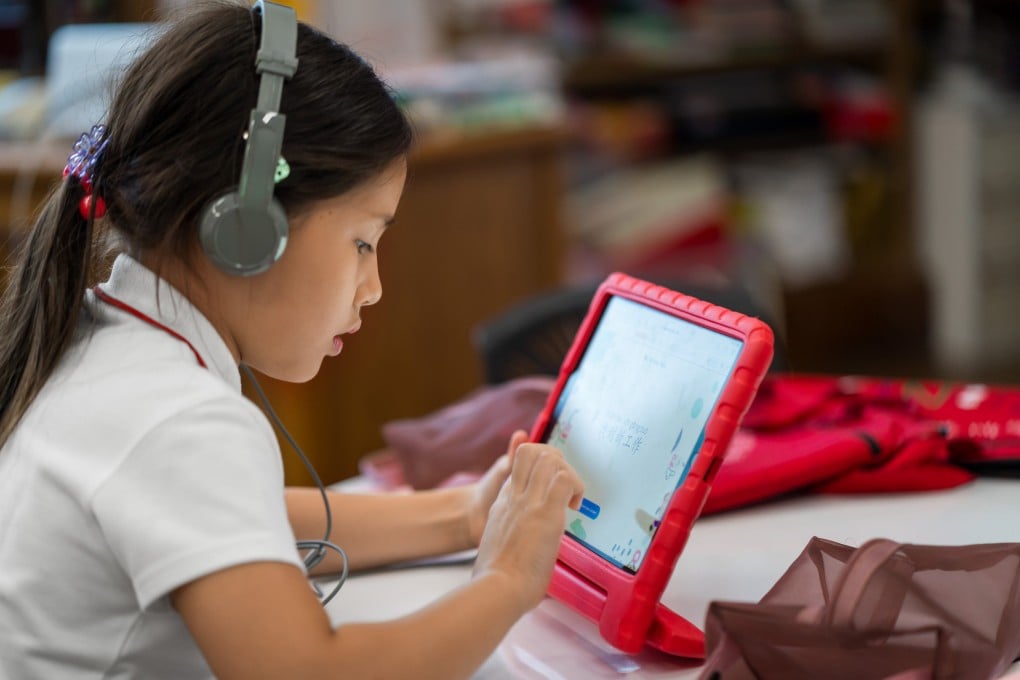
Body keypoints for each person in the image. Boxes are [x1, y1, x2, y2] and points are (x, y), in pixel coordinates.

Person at [0, 2, 584, 678]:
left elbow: (239, 514)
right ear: (246, 228)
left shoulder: (99, 341)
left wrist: (464, 515)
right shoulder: (178, 420)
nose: (374, 288)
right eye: (362, 242)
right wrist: (509, 578)